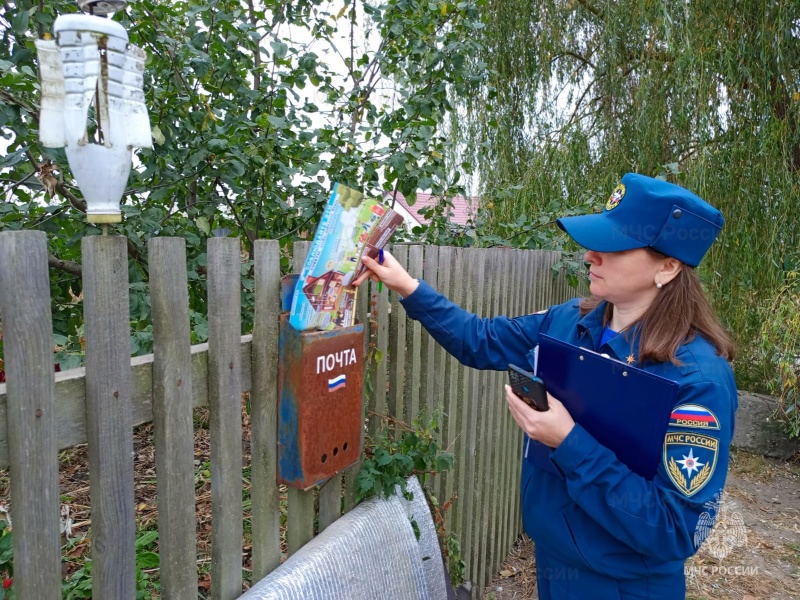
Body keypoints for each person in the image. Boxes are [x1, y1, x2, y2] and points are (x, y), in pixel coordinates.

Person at [353, 173, 737, 599]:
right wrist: (406, 285)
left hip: (624, 585)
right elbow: (479, 341)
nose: (591, 255)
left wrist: (568, 440)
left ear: (668, 267)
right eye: (595, 242)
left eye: (614, 247)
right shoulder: (569, 321)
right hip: (554, 565)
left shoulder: (698, 378)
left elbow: (674, 529)